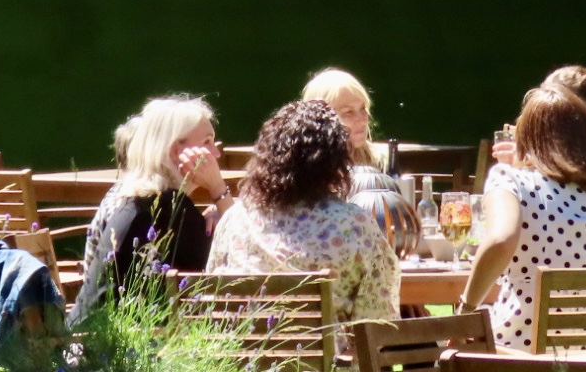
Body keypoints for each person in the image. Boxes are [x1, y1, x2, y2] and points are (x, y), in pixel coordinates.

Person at [206, 99, 399, 326]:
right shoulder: (354, 225)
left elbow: (213, 299)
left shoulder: (234, 219)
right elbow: (379, 320)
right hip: (330, 361)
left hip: (242, 360)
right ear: (335, 162)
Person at [460, 86, 586, 349]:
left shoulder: (510, 180)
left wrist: (464, 311)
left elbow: (501, 240)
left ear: (526, 139)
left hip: (521, 353)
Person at [72, 96, 233, 322]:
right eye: (207, 143)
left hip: (86, 344)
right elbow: (242, 261)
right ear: (178, 152)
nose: (216, 154)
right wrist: (218, 189)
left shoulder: (140, 200)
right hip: (111, 352)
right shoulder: (170, 210)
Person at [300, 67, 379, 169]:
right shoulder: (301, 171)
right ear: (320, 118)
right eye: (348, 112)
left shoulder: (384, 164)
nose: (362, 120)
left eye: (363, 108)